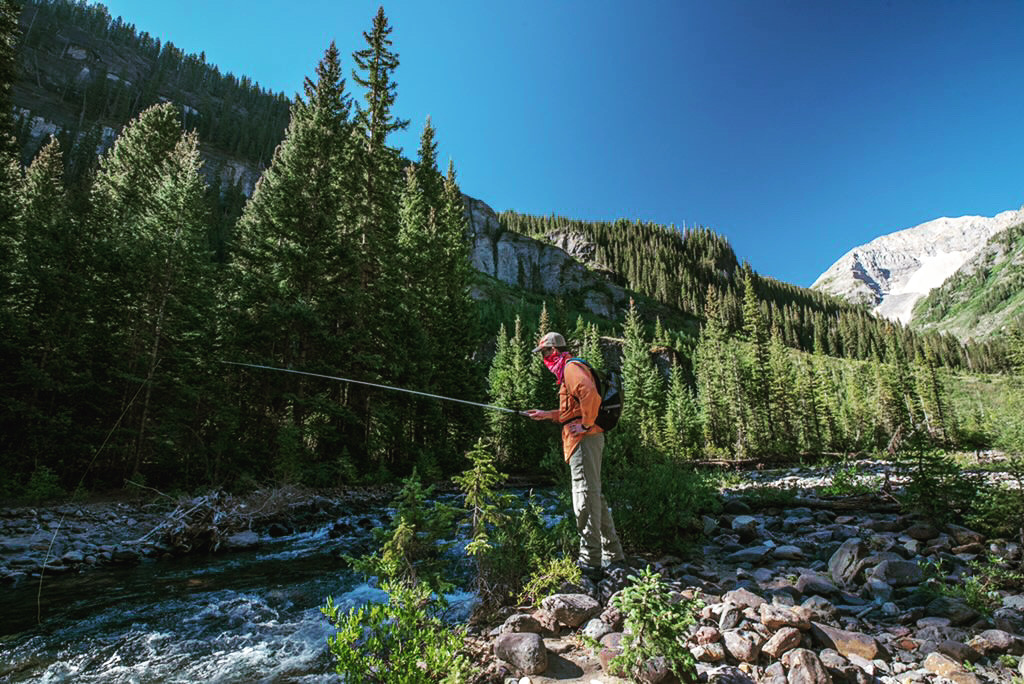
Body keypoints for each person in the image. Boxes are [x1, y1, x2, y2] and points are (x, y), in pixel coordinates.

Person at [525, 331, 625, 581]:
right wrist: (546, 415)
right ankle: (613, 554)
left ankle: (590, 563)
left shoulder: (570, 368)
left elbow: (589, 394)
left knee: (584, 498)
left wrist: (588, 425)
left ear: (556, 351)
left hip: (584, 440)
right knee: (594, 496)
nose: (544, 358)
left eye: (546, 353)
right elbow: (572, 411)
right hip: (584, 439)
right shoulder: (568, 371)